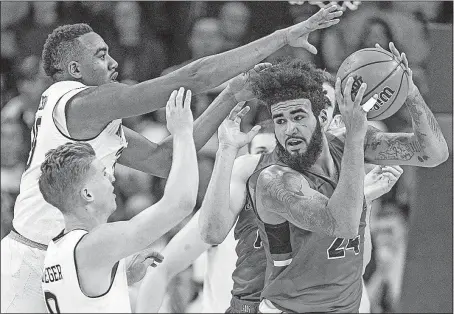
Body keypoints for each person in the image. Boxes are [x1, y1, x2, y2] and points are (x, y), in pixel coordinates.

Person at [1, 6, 344, 312]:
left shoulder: (89, 119)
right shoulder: (78, 103)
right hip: (33, 259)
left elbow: (165, 160)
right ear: (75, 68)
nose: (113, 62)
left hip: (69, 255)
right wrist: (281, 37)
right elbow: (190, 79)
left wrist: (227, 97)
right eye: (101, 55)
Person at [199, 42, 448, 313]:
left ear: (324, 115)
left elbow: (432, 154)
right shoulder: (271, 176)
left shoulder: (348, 147)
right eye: (280, 120)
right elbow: (341, 223)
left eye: (299, 116)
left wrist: (408, 91)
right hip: (276, 303)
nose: (288, 128)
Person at [40, 87, 197, 313]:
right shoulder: (96, 243)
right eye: (103, 174)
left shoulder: (54, 251)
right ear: (87, 194)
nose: (112, 176)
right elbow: (181, 203)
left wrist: (120, 280)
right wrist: (183, 132)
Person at [135, 120, 276, 313]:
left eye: (278, 153)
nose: (268, 163)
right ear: (246, 158)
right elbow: (161, 269)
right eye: (261, 152)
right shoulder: (224, 208)